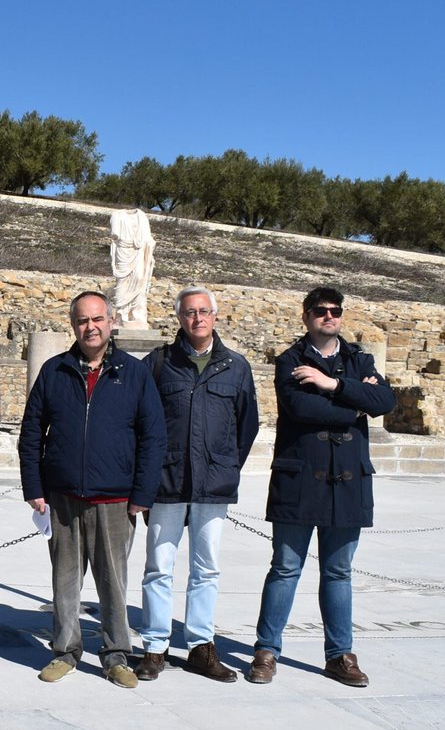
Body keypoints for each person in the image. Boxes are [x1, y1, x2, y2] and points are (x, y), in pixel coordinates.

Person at [250, 286, 396, 687]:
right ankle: (266, 650)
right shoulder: (290, 361)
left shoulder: (359, 358)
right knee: (285, 568)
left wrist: (332, 386)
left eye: (334, 311)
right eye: (320, 311)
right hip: (300, 481)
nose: (328, 317)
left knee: (338, 572)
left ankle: (340, 655)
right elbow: (300, 408)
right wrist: (356, 401)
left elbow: (384, 401)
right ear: (306, 316)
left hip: (348, 483)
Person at [19, 290, 166, 687]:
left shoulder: (133, 373)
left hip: (116, 498)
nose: (91, 327)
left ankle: (116, 654)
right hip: (63, 495)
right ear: (73, 325)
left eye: (98, 319)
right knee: (65, 581)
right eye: (83, 320)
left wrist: (142, 495)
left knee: (113, 583)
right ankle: (65, 651)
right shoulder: (54, 371)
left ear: (111, 321)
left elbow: (153, 437)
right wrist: (34, 486)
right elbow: (32, 432)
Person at [136, 286, 260, 682]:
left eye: (204, 311)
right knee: (159, 566)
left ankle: (200, 647)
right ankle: (155, 645)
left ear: (215, 316)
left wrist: (225, 464)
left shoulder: (235, 366)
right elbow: (142, 424)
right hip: (167, 480)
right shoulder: (157, 364)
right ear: (179, 318)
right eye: (190, 312)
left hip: (213, 484)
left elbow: (247, 424)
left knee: (206, 569)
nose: (198, 318)